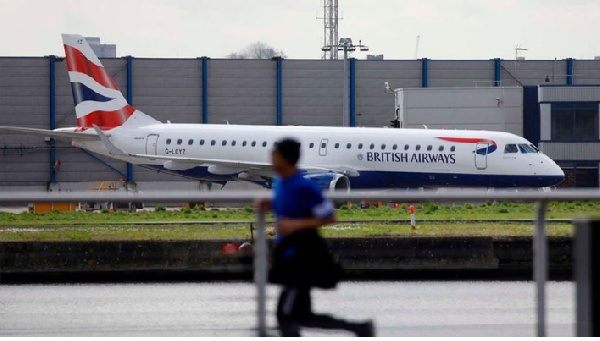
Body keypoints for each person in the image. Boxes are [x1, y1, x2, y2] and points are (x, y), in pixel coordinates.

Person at [255, 138, 374, 337]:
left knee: (286, 315)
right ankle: (359, 328)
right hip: (287, 256)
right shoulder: (280, 184)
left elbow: (329, 216)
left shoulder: (304, 186)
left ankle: (359, 328)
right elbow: (290, 208)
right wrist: (270, 205)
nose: (271, 158)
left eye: (274, 154)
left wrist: (294, 225)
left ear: (284, 158)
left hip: (300, 258)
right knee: (302, 316)